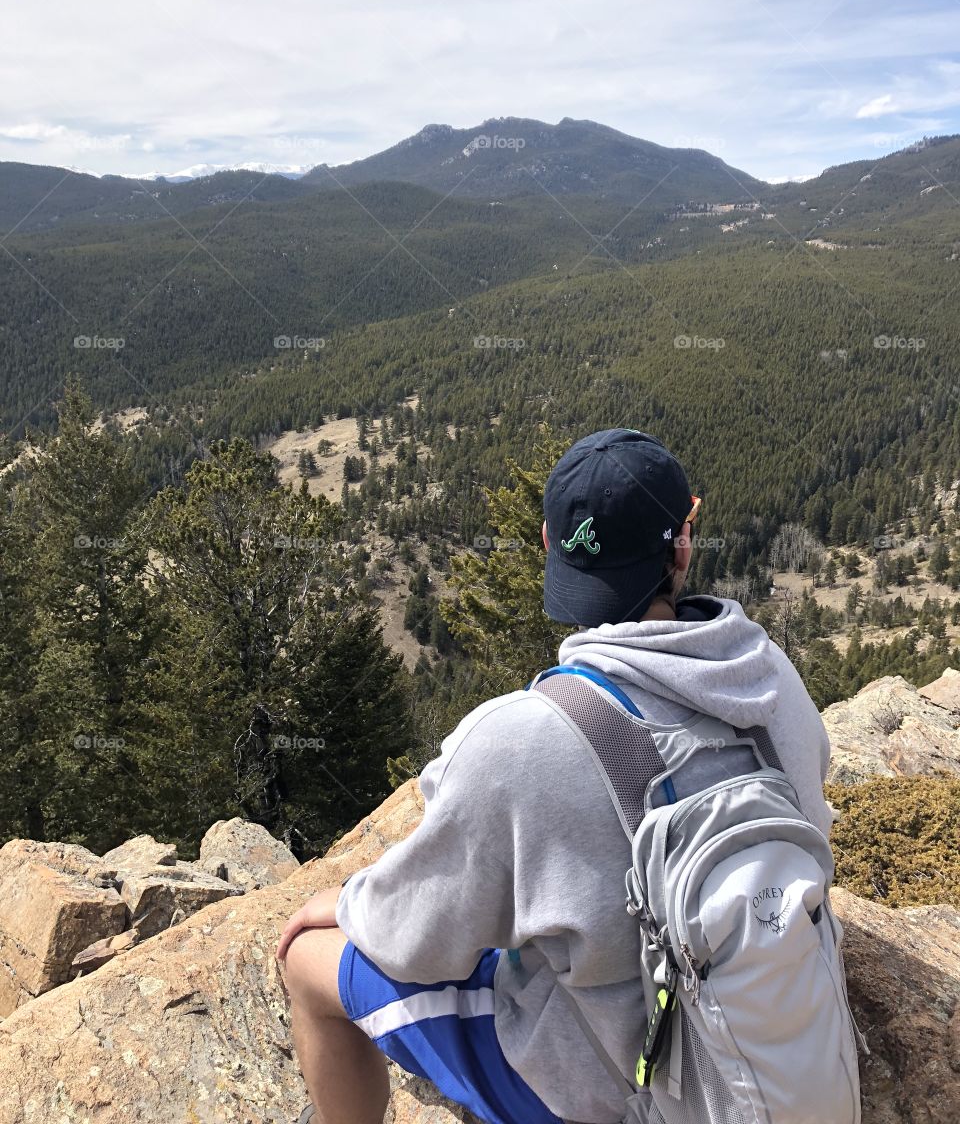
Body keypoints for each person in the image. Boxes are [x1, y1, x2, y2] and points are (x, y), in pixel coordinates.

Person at [277, 428, 834, 1124]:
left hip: (623, 1094)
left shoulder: (518, 738)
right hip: (788, 1046)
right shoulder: (770, 674)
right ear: (683, 545)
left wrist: (351, 901)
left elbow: (416, 938)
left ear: (549, 544)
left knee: (305, 960)